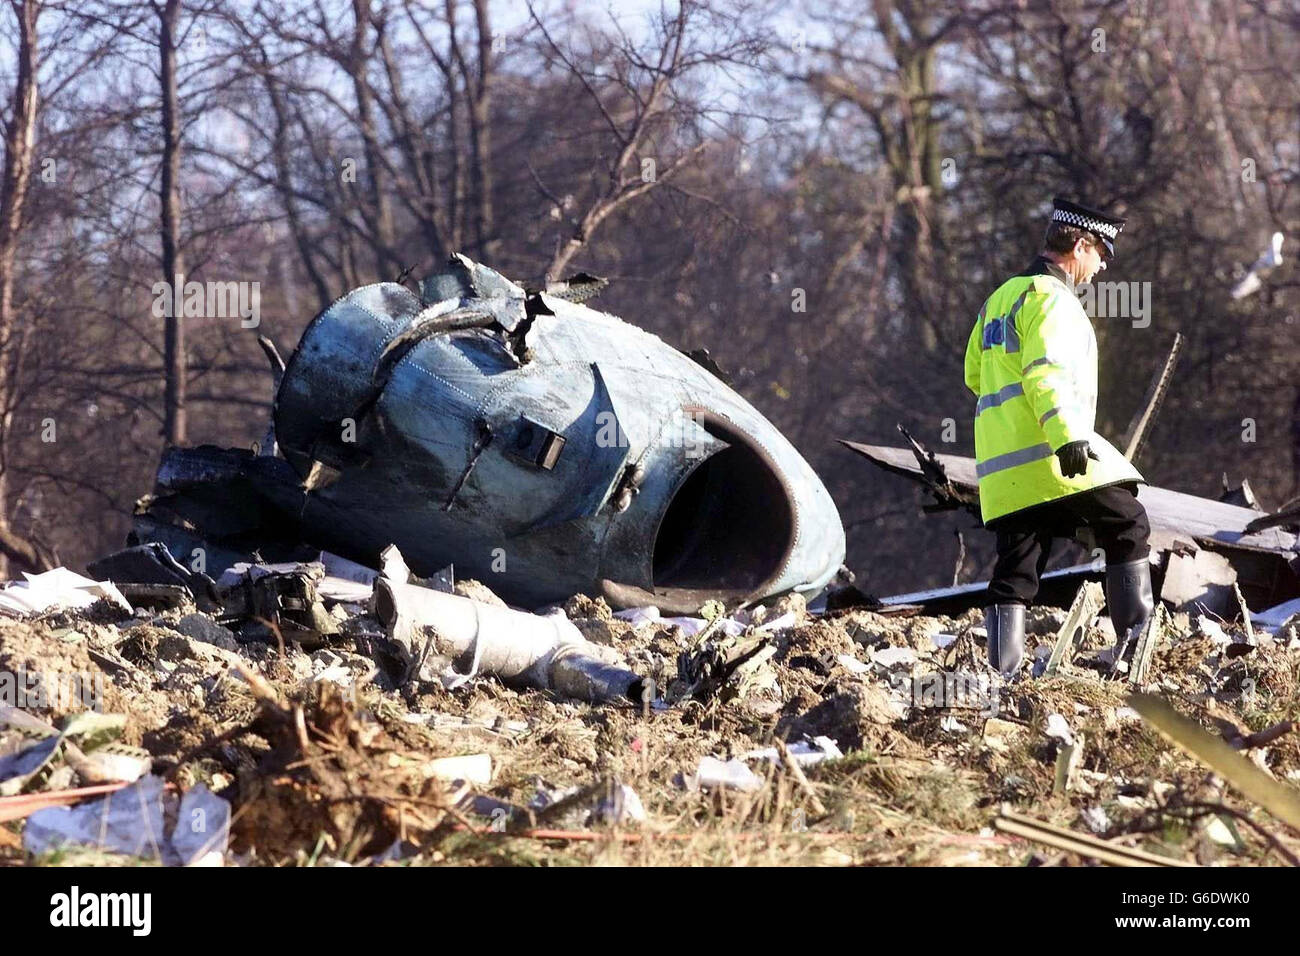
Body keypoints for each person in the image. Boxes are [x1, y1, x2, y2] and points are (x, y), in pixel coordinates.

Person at [963, 197, 1153, 676]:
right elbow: (1043, 374)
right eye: (1102, 254)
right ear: (1080, 244)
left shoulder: (999, 299)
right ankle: (1134, 653)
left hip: (1005, 472)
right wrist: (1067, 436)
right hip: (1051, 457)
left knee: (1017, 569)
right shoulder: (1052, 299)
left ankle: (1002, 676)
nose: (1102, 268)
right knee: (1128, 525)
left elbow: (973, 376)